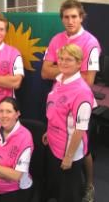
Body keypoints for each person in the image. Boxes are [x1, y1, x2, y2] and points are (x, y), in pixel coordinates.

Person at [41, 0, 101, 202]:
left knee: (82, 149)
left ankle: (89, 186)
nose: (70, 21)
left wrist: (61, 67)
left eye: (74, 16)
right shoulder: (57, 39)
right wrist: (70, 66)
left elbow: (87, 80)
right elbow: (44, 72)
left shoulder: (90, 42)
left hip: (75, 103)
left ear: (81, 17)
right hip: (58, 98)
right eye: (66, 17)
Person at [42, 44, 94, 202]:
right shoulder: (60, 80)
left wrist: (69, 157)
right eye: (61, 59)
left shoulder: (82, 92)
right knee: (57, 186)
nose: (63, 63)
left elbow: (80, 129)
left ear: (79, 63)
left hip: (68, 150)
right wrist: (49, 131)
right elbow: (56, 111)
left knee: (68, 193)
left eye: (69, 60)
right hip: (54, 141)